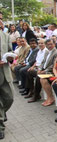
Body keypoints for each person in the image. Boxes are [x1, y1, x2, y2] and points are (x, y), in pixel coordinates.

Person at [0, 12, 14, 140]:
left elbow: (10, 52)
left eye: (1, 19)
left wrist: (10, 58)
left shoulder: (5, 36)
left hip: (4, 73)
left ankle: (2, 113)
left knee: (10, 98)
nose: (0, 21)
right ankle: (0, 127)